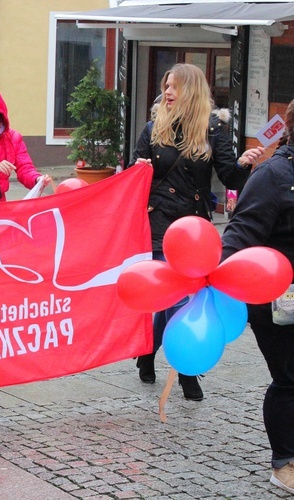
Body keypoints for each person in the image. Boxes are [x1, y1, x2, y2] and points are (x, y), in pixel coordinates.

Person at [127, 63, 265, 400]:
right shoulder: (152, 127)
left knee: (180, 296)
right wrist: (140, 168)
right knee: (172, 296)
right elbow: (134, 169)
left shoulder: (213, 128)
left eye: (175, 86)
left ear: (191, 90)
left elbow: (230, 177)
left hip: (194, 227)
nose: (168, 92)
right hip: (159, 221)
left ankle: (149, 352)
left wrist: (245, 163)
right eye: (166, 85)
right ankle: (187, 372)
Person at [220, 98, 294, 494]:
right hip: (277, 303)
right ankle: (284, 463)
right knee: (289, 378)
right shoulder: (274, 174)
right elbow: (239, 236)